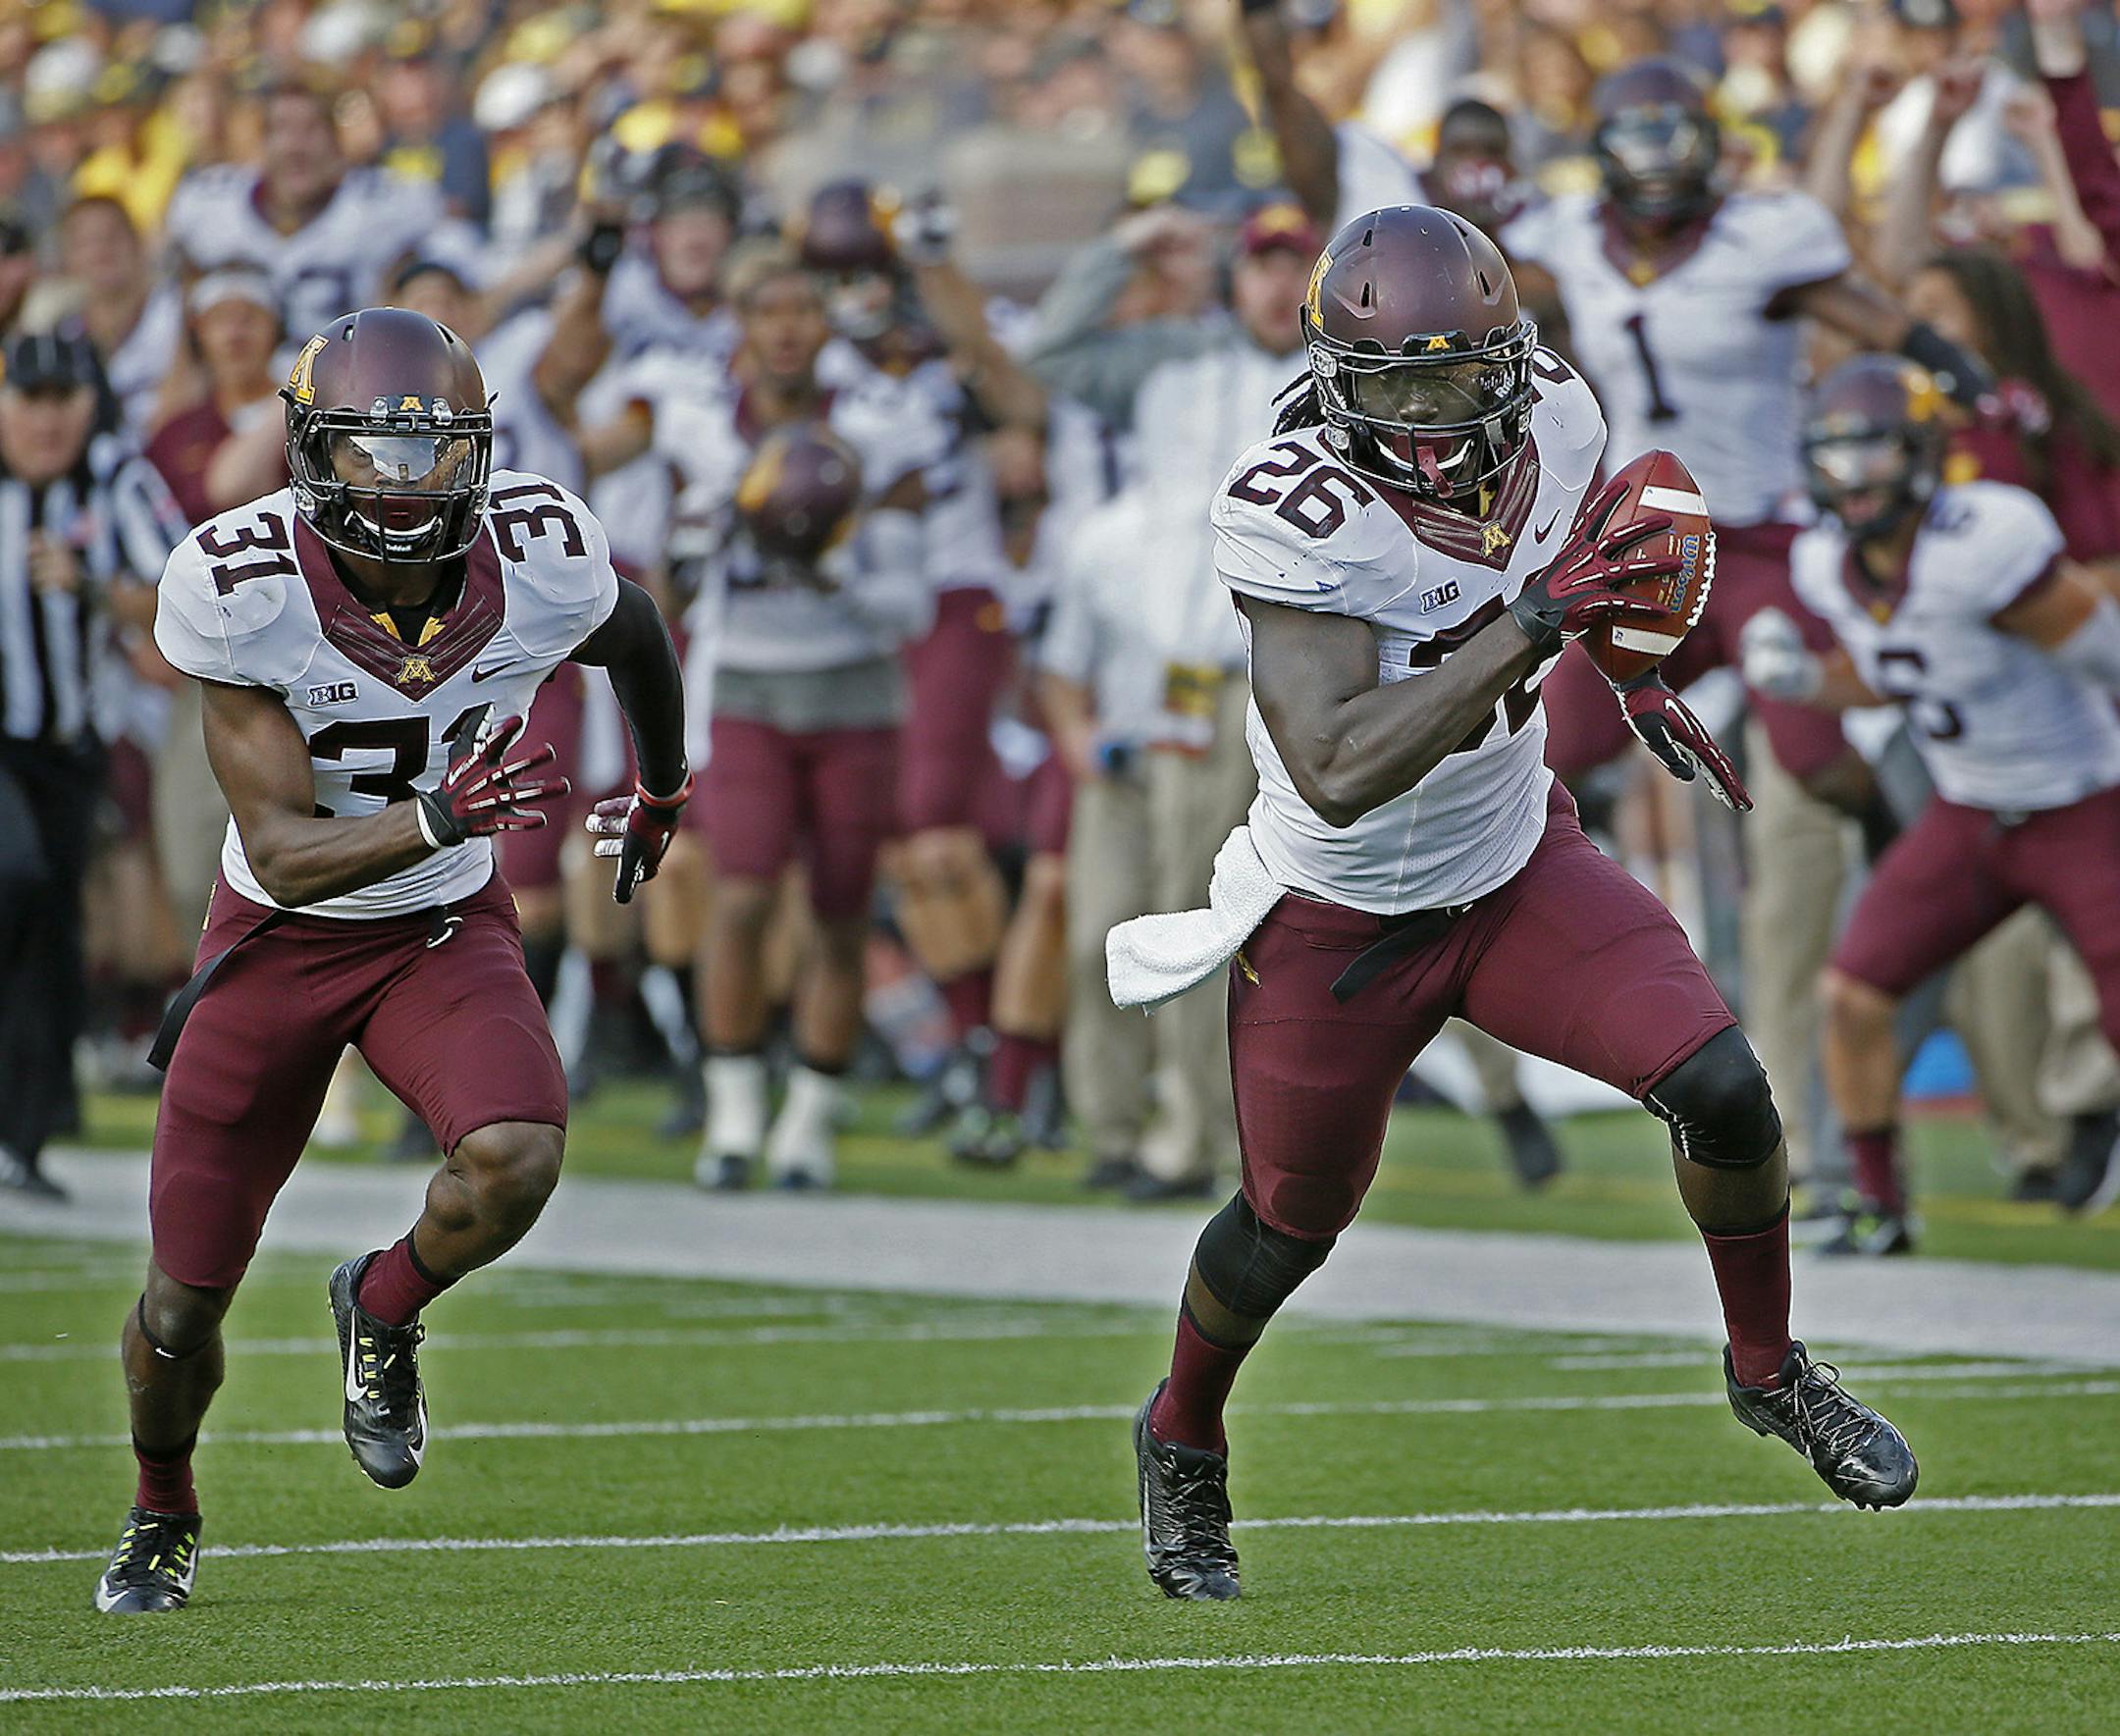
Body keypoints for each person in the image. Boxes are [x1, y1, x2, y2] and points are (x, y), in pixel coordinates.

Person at [1113, 208, 1917, 1602]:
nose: (1428, 417)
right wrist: (1537, 625)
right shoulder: (1293, 502)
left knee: (1724, 1087)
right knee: (1287, 1225)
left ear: (1511, 358)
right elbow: (1339, 762)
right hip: (1339, 912)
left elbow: (1587, 584)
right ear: (1333, 378)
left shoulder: (1562, 414)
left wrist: (1635, 670)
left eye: (1454, 377)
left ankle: (1770, 1366)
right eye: (1395, 386)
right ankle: (1181, 1433)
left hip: (1510, 864)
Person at [97, 307, 690, 1614]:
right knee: (183, 1306)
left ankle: (382, 1299)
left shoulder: (540, 552)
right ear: (312, 450)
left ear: (478, 454)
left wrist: (660, 792)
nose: (404, 487)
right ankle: (162, 1504)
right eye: (371, 453)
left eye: (431, 456)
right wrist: (435, 814)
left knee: (519, 1152)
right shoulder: (240, 584)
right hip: (277, 944)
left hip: (437, 926)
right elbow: (287, 848)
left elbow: (636, 632)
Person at [583, 248, 939, 1189]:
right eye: (765, 309)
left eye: (800, 309)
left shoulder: (878, 424)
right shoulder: (699, 424)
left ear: (826, 323)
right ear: (738, 323)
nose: (784, 327)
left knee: (838, 909)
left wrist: (833, 565)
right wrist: (706, 545)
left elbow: (910, 603)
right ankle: (734, 1110)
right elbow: (659, 560)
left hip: (854, 688)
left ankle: (810, 1118)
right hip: (745, 685)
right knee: (739, 896)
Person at [1744, 356, 2120, 1241]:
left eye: (1872, 455)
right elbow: (1895, 675)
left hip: (2080, 802)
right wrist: (1805, 679)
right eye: (1835, 460)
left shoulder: (1984, 542)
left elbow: (2101, 648)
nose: (1852, 481)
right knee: (1854, 994)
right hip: (1972, 811)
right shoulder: (1829, 563)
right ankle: (1879, 1203)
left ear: (1920, 453)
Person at [0, 331, 182, 1200]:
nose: (46, 418)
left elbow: (184, 585)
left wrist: (89, 585)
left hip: (67, 747)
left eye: (61, 398)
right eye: (28, 398)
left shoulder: (114, 477)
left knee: (52, 934)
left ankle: (25, 1140)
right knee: (19, 879)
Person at [161, 80, 451, 346]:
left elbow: (467, 277)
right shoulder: (208, 201)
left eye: (311, 129)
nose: (295, 147)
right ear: (260, 143)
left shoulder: (386, 202)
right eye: (281, 130)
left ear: (337, 142)